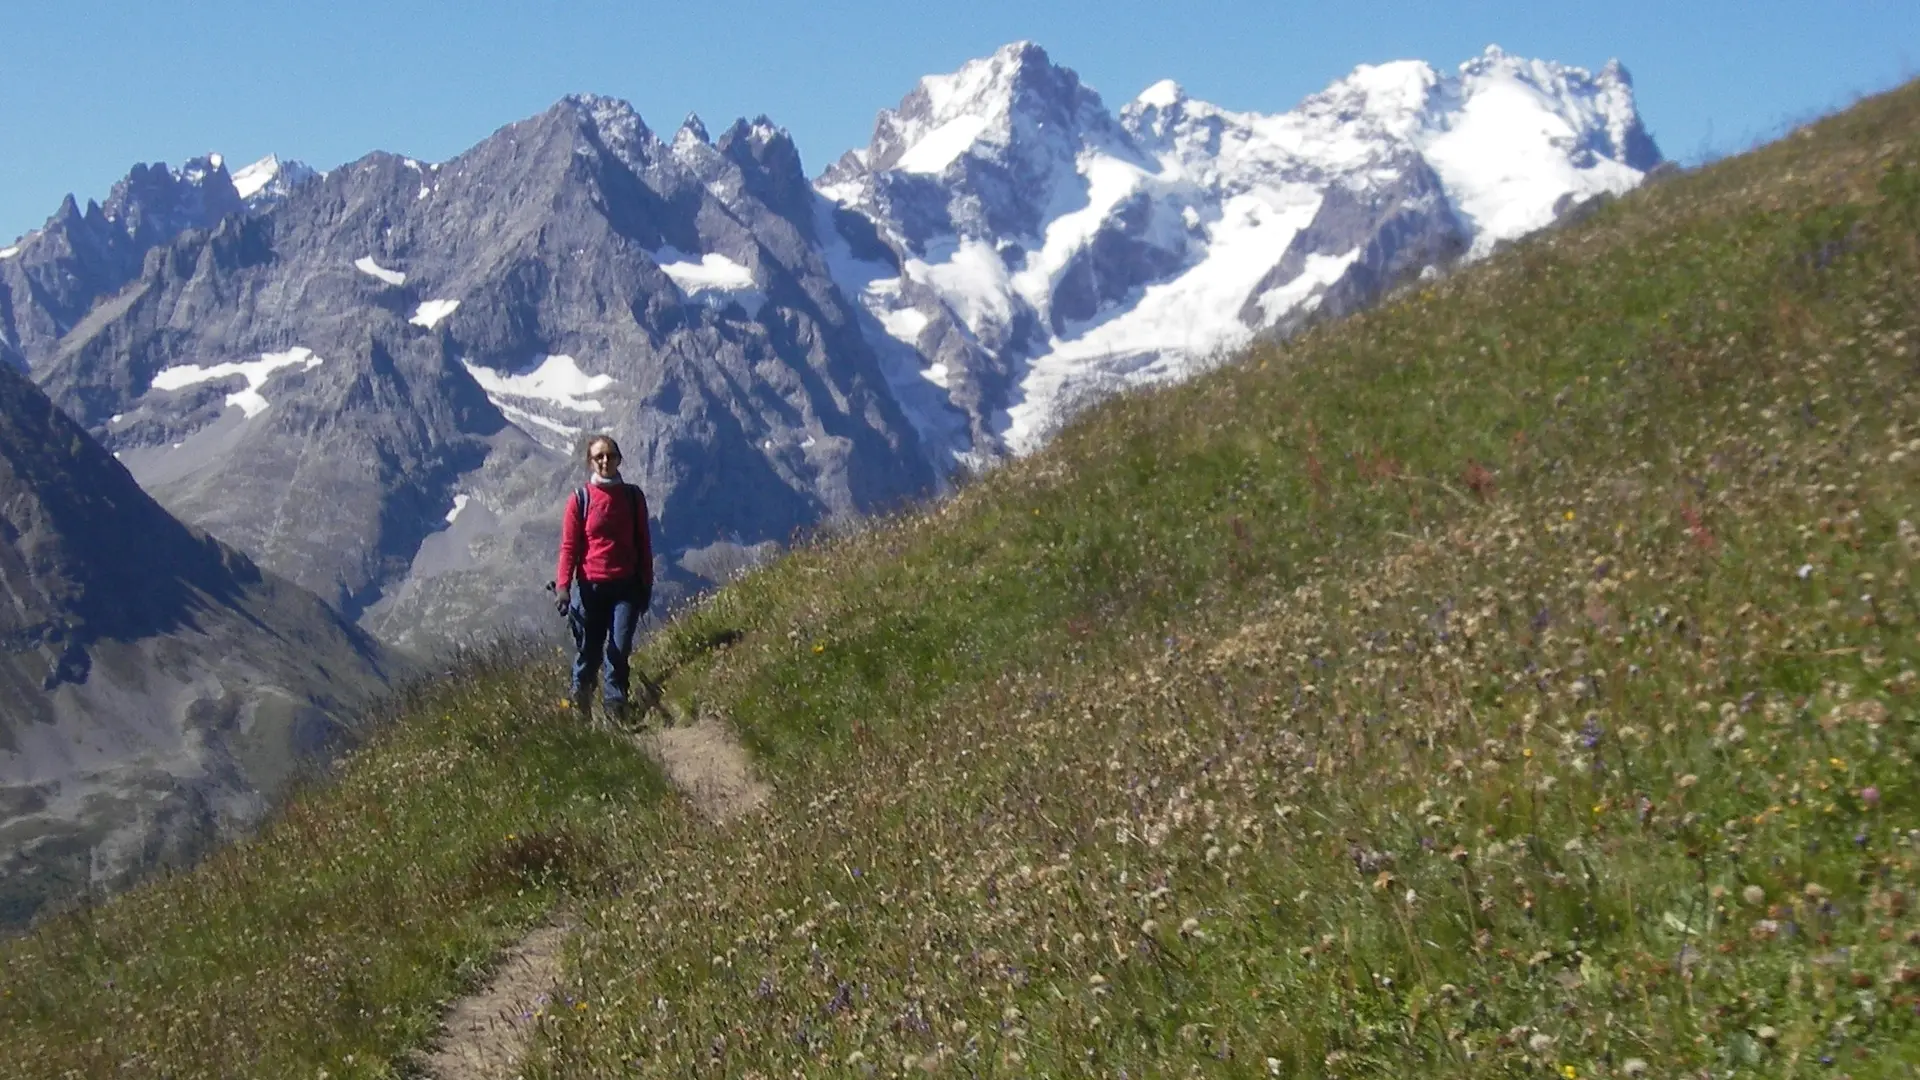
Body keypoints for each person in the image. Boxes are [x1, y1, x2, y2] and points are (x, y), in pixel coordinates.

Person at [554, 434, 653, 719]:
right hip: (591, 589)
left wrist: (646, 583)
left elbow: (643, 543)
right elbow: (569, 547)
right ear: (590, 462)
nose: (605, 461)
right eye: (599, 457)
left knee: (619, 648)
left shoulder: (633, 497)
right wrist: (563, 587)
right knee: (589, 651)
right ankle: (580, 703)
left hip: (627, 588)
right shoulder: (580, 500)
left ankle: (615, 707)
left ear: (619, 459)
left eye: (610, 455)